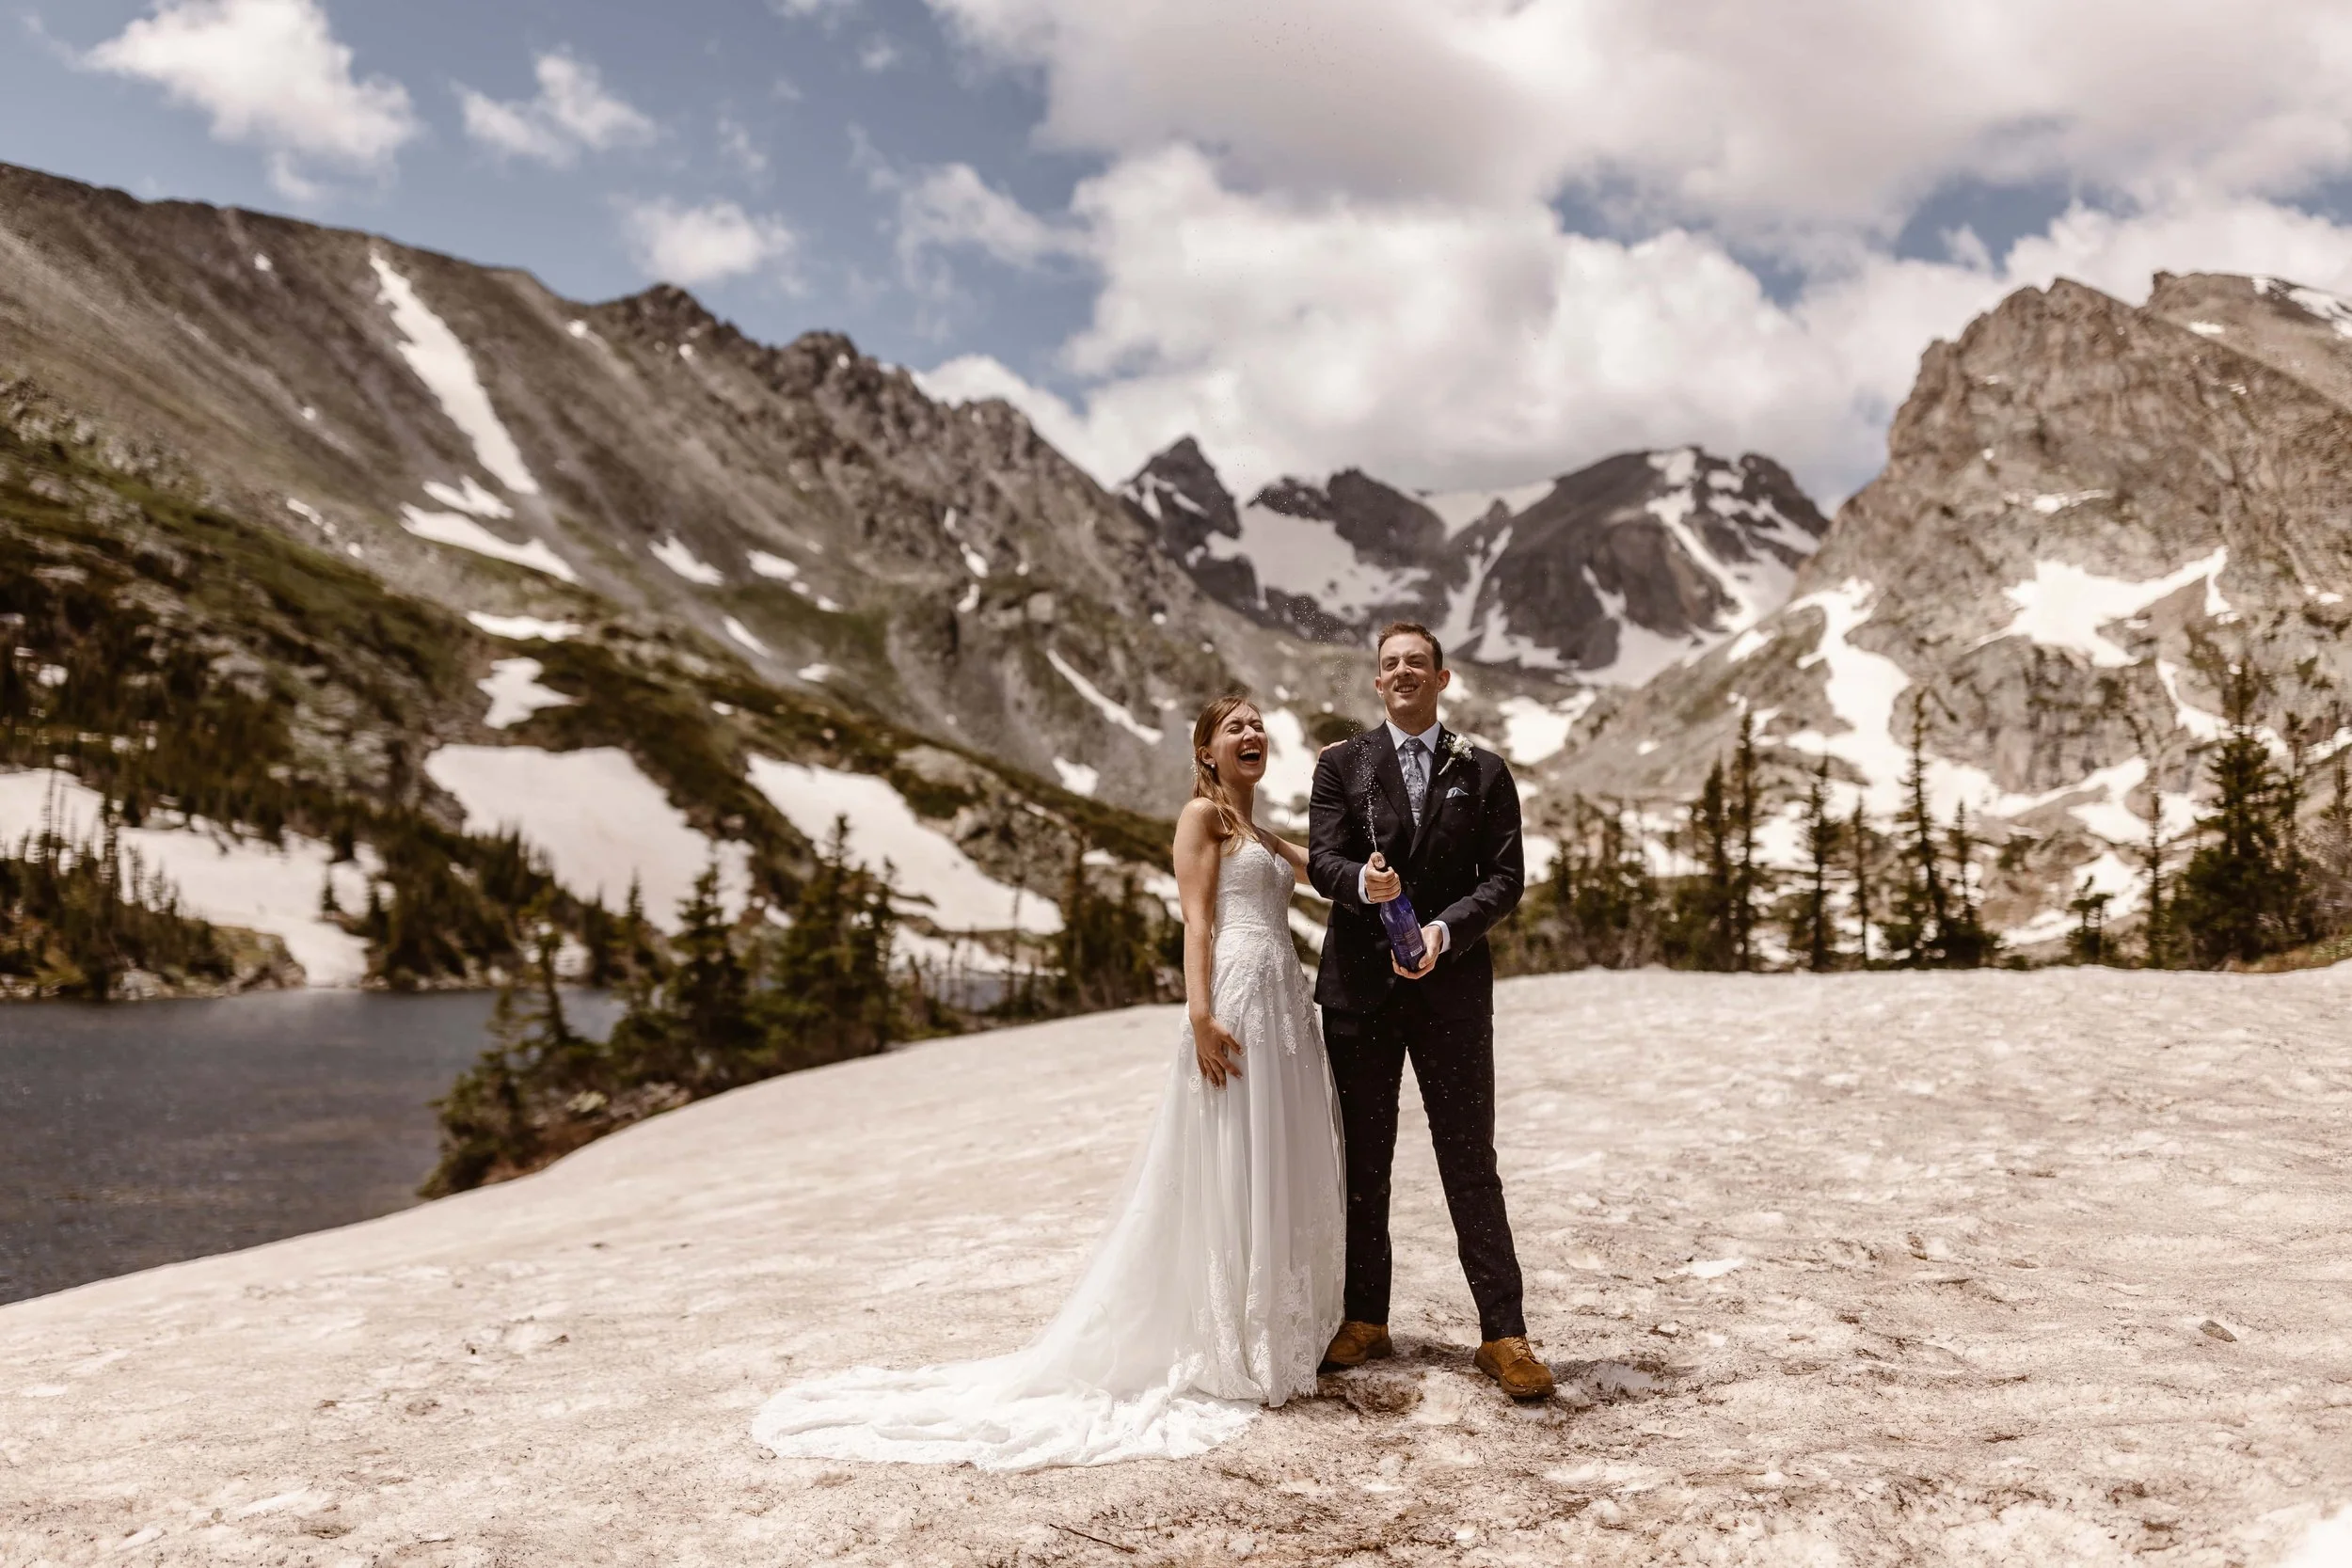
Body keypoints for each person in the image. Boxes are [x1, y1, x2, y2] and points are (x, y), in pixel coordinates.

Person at [749, 694, 1345, 1470]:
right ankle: (1230, 1332)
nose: (1252, 733)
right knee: (1234, 1157)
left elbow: (1332, 882)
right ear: (1206, 752)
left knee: (1276, 1152)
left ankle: (1276, 1323)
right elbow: (1197, 922)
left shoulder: (1264, 835)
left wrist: (1376, 877)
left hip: (1283, 1007)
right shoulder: (1199, 820)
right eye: (1234, 727)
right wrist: (1199, 1014)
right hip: (1234, 999)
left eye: (1258, 723)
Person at [1307, 621, 1552, 1400]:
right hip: (1360, 993)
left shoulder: (1483, 770)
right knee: (1364, 1165)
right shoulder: (1340, 765)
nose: (1403, 671)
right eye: (1389, 665)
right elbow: (1321, 859)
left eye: (1417, 661)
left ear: (1442, 680)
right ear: (1376, 684)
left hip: (1450, 992)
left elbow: (1506, 878)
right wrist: (1359, 883)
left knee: (1469, 1163)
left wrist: (1446, 929)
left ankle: (1503, 1333)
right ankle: (1364, 1317)